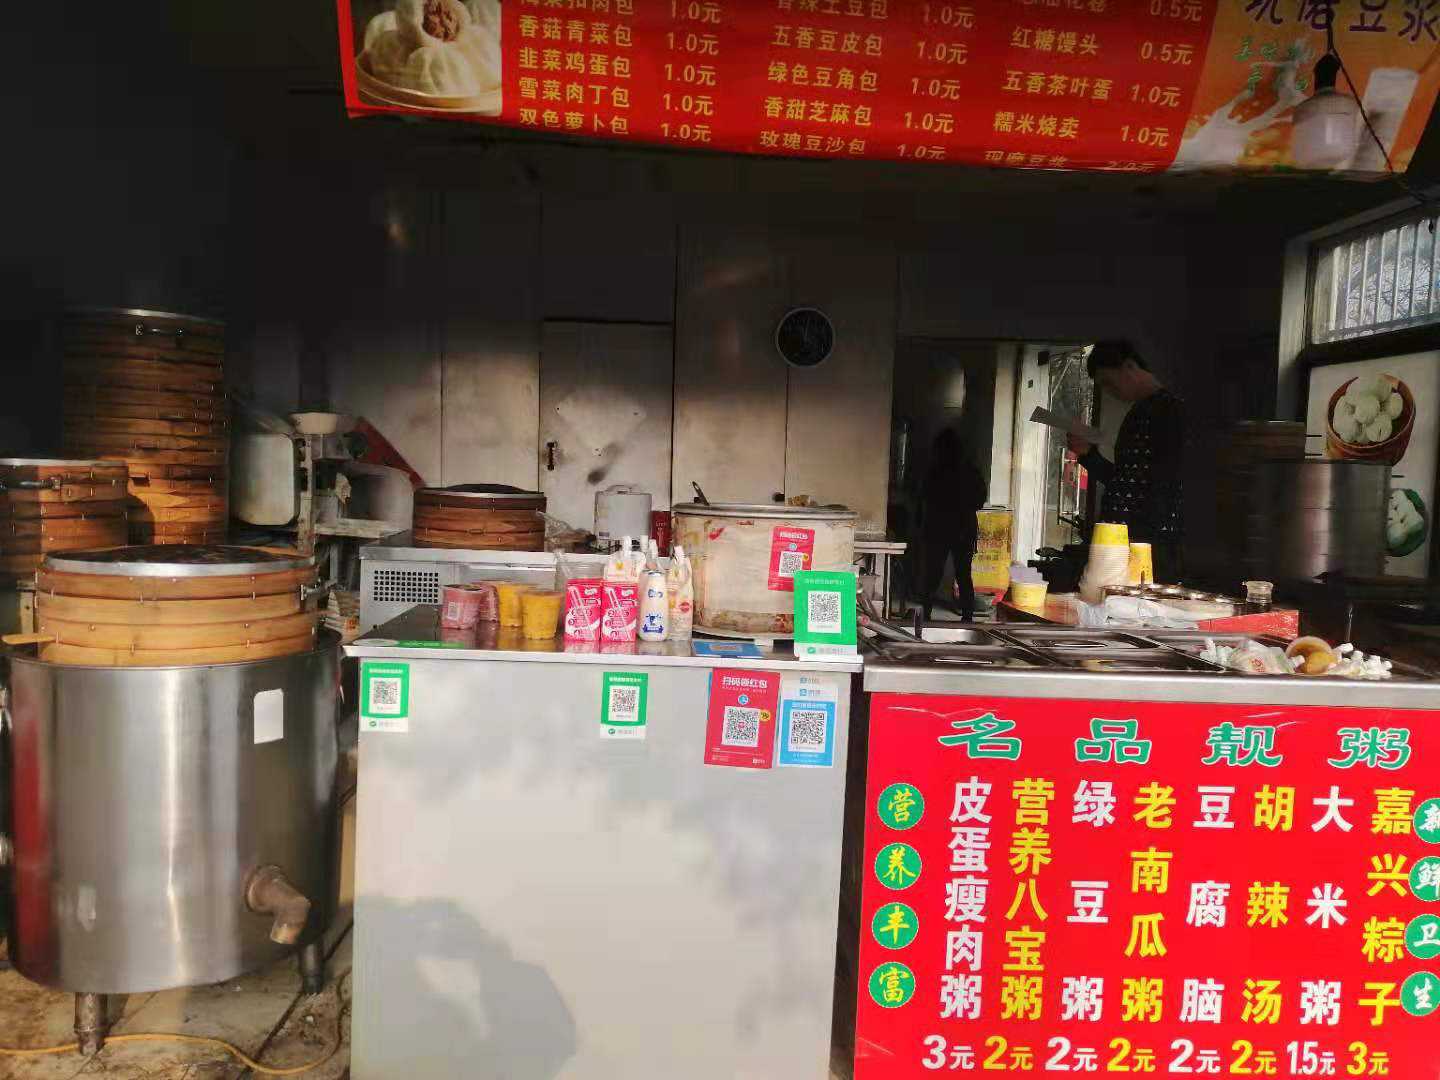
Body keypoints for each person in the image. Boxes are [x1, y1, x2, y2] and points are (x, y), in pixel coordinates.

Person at [1066, 340, 1185, 583]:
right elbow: (1125, 481)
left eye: (1109, 382)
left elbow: (1158, 484)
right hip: (1128, 540)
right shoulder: (1141, 412)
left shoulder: (1170, 411)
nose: (1110, 391)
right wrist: (1088, 455)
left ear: (1130, 366)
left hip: (1150, 542)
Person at [919, 428, 987, 621]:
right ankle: (967, 617)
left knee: (933, 573)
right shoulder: (970, 471)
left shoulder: (935, 472)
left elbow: (924, 497)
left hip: (938, 526)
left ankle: (926, 613)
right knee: (964, 574)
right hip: (963, 527)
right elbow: (980, 500)